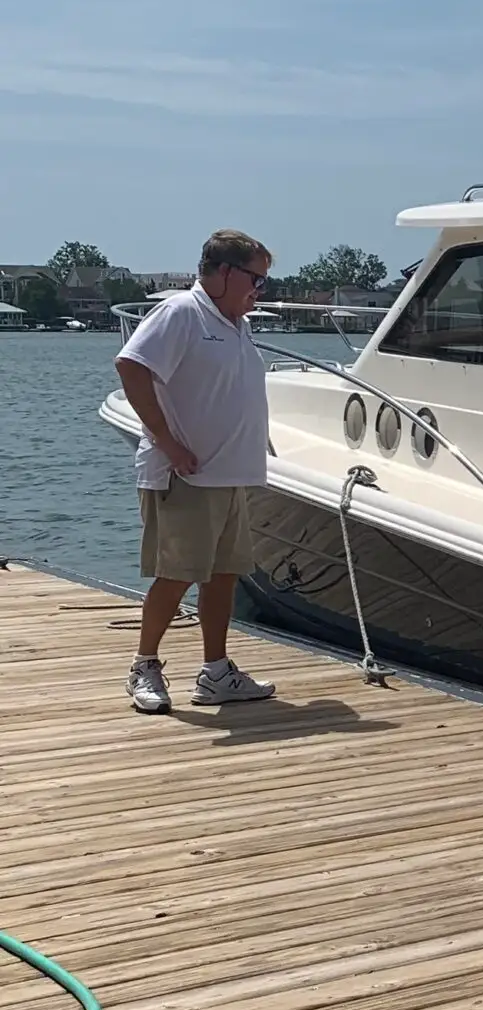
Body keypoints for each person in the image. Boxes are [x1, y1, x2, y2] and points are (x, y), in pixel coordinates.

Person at [114, 229, 280, 714]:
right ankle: (144, 665)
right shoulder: (182, 312)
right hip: (185, 475)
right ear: (225, 272)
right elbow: (131, 366)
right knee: (176, 575)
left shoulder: (235, 323)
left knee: (225, 574)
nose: (259, 290)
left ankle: (216, 671)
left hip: (228, 475)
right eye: (256, 279)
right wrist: (167, 441)